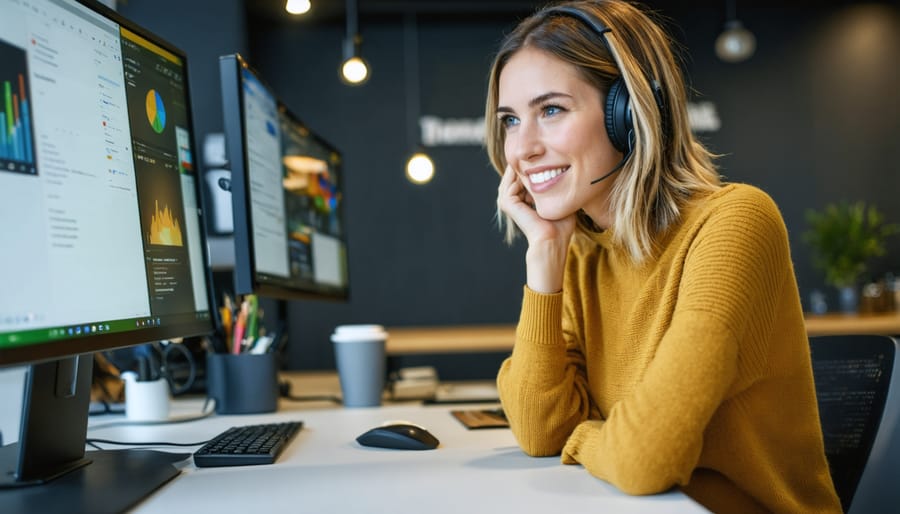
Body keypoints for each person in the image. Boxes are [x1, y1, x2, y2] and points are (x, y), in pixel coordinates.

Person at [485, 1, 842, 513]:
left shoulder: (736, 221)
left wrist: (583, 437)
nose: (522, 148)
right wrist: (544, 254)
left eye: (552, 110)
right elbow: (540, 430)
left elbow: (643, 460)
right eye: (511, 120)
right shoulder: (584, 255)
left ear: (626, 112)